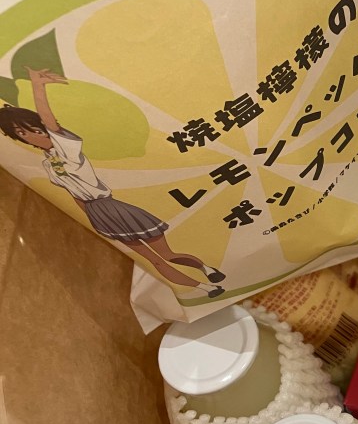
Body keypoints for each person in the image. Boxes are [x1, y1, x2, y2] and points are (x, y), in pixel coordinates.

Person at [0, 68, 225, 298]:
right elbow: (73, 195)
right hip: (98, 215)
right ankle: (206, 288)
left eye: (34, 129)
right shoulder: (48, 164)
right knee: (153, 261)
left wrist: (38, 87)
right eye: (22, 133)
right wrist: (90, 219)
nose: (32, 135)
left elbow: (49, 121)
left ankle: (206, 269)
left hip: (114, 207)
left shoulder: (66, 147)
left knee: (168, 254)